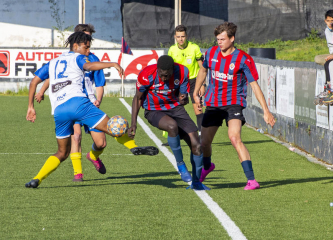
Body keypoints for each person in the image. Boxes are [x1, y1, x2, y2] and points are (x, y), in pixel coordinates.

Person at [35, 24, 158, 182]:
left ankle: (93, 156)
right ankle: (78, 173)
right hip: (73, 103)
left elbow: (99, 83)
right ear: (77, 40)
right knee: (76, 136)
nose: (87, 43)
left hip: (88, 103)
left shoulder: (92, 59)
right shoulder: (69, 58)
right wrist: (41, 90)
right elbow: (54, 78)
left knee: (101, 143)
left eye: (89, 40)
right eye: (84, 38)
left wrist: (98, 99)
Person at [25, 32, 125, 188]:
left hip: (60, 110)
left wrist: (30, 106)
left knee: (62, 152)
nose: (88, 51)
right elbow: (89, 66)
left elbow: (33, 82)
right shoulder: (78, 58)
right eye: (86, 47)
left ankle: (36, 179)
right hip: (80, 105)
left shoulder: (53, 62)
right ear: (76, 45)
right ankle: (132, 147)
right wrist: (112, 64)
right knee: (106, 129)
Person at [193, 22, 275, 190]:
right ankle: (208, 166)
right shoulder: (211, 52)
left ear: (232, 38)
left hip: (233, 104)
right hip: (214, 104)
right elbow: (203, 70)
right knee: (204, 143)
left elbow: (254, 86)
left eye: (222, 39)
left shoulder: (243, 59)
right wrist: (195, 92)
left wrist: (266, 111)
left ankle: (251, 180)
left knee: (234, 137)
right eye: (217, 39)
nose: (219, 42)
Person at [128, 55, 209, 190]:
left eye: (167, 75)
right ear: (157, 69)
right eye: (161, 75)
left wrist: (184, 99)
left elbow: (183, 97)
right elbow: (137, 98)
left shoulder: (182, 72)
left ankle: (196, 182)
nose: (164, 78)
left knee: (197, 144)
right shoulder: (147, 74)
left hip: (175, 108)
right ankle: (181, 165)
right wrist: (134, 124)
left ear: (173, 70)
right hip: (153, 110)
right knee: (172, 126)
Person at [168, 25, 205, 132]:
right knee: (175, 109)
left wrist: (203, 84)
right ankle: (174, 135)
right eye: (178, 36)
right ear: (175, 37)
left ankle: (201, 136)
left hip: (194, 81)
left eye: (183, 36)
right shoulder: (172, 50)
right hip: (178, 82)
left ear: (186, 36)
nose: (181, 39)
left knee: (198, 108)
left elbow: (202, 68)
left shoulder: (195, 48)